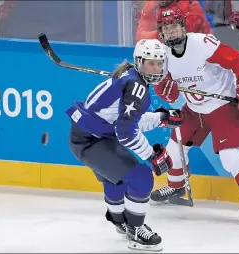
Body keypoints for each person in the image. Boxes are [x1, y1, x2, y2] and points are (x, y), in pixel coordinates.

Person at [150, 6, 239, 225]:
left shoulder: (201, 44)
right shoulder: (162, 55)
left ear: (183, 27)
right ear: (161, 33)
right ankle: (176, 187)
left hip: (223, 106)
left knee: (229, 157)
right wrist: (165, 87)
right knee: (174, 148)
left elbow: (237, 61)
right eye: (166, 29)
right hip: (194, 109)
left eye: (174, 27)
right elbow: (170, 94)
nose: (171, 32)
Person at [65, 39, 184, 251]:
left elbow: (124, 121)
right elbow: (126, 132)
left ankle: (119, 220)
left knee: (117, 179)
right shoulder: (137, 86)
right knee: (141, 177)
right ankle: (135, 230)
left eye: (159, 63)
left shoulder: (130, 77)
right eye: (150, 63)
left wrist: (160, 118)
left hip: (89, 135)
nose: (156, 68)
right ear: (139, 62)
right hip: (91, 141)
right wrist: (151, 156)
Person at [136, 0, 212, 43]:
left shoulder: (192, 5)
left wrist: (158, 35)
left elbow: (176, 35)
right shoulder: (151, 6)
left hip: (200, 56)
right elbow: (140, 37)